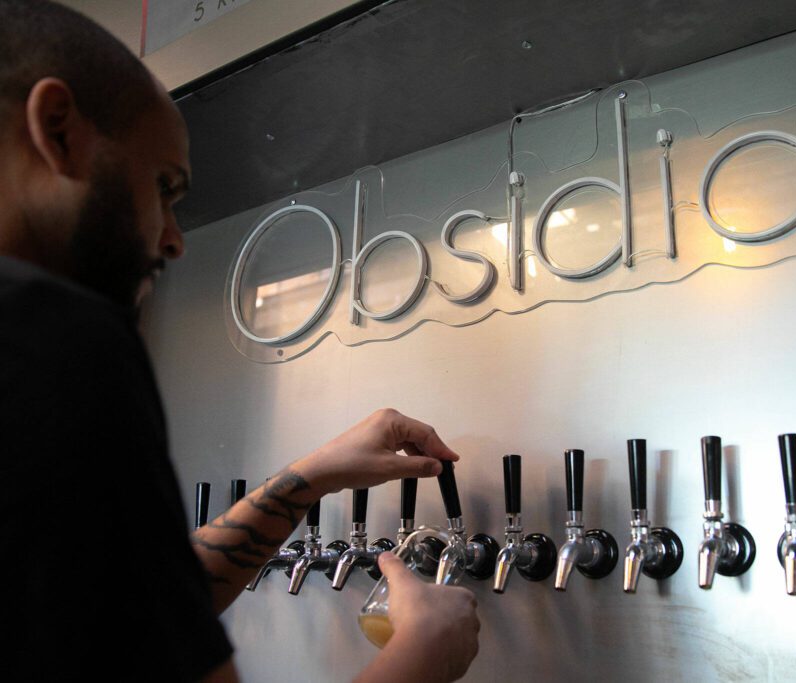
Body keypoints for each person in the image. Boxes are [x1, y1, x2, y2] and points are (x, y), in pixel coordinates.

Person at [0, 1, 479, 681]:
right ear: (57, 130)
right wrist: (425, 653)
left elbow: (134, 608)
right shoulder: (54, 336)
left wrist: (312, 477)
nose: (173, 236)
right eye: (164, 187)